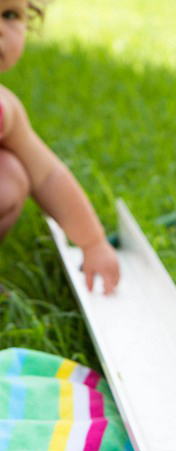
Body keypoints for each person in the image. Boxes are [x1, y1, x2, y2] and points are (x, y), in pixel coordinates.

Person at [0, 0, 119, 293]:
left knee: (13, 176)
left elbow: (48, 176)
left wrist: (92, 242)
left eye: (9, 14)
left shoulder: (5, 110)